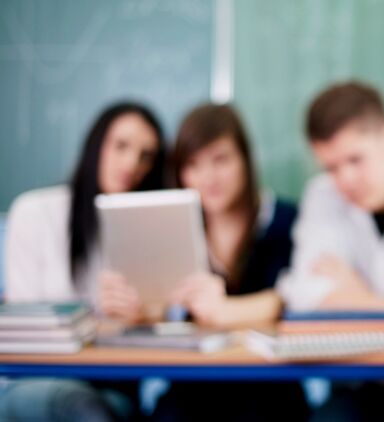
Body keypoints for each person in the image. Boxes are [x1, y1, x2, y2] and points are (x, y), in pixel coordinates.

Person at [2, 101, 167, 421]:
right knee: (80, 406)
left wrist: (143, 316)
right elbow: (24, 330)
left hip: (110, 385)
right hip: (35, 381)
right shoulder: (35, 212)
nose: (131, 163)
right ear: (96, 145)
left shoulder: (144, 229)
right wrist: (99, 322)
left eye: (146, 155)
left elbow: (163, 324)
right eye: (121, 146)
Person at [147, 103, 309, 421]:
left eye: (220, 160)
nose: (208, 178)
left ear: (245, 160)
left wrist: (224, 310)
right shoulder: (173, 231)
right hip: (193, 385)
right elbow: (161, 311)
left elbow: (291, 300)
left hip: (269, 386)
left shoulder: (286, 221)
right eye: (192, 165)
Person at [278, 81, 384, 312]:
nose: (346, 180)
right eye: (331, 168)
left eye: (355, 160)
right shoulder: (323, 194)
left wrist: (364, 299)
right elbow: (304, 294)